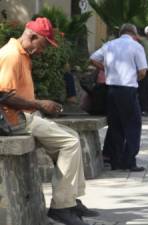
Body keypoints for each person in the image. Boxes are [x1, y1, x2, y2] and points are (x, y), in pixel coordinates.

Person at [0, 17, 98, 225]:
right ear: (33, 37)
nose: (43, 50)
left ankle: (70, 200)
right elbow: (3, 96)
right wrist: (40, 104)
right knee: (69, 142)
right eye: (43, 44)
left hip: (23, 115)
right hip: (14, 119)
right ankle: (62, 206)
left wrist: (41, 106)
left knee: (70, 137)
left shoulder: (21, 53)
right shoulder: (11, 56)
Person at [90, 24, 147, 172]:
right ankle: (129, 161)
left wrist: (107, 69)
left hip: (112, 90)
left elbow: (93, 58)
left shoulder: (109, 44)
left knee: (116, 126)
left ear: (121, 33)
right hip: (128, 90)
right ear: (134, 34)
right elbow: (142, 71)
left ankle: (115, 161)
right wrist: (135, 76)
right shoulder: (136, 46)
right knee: (133, 125)